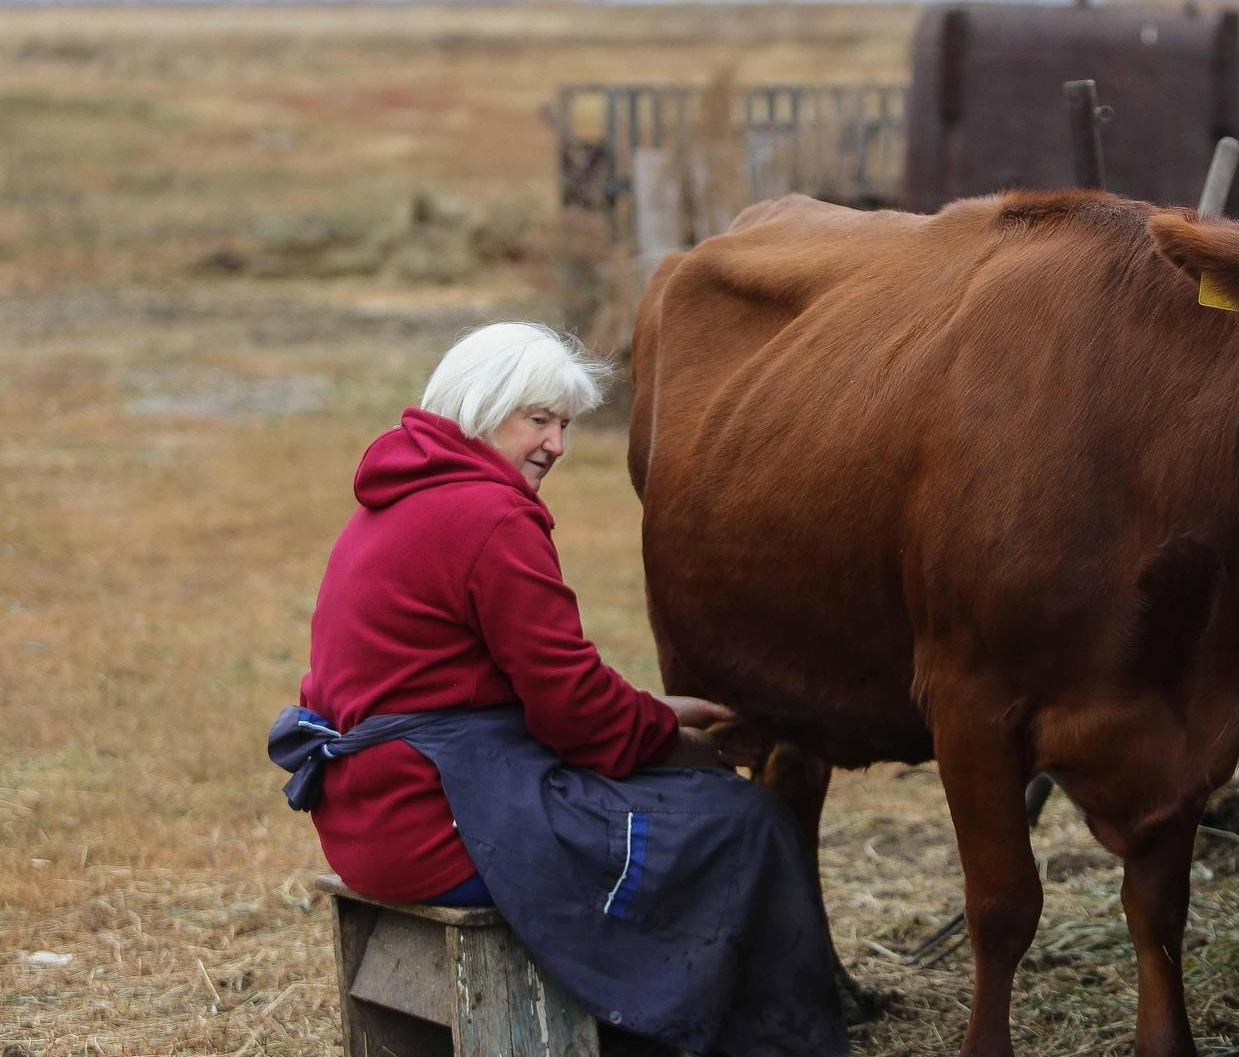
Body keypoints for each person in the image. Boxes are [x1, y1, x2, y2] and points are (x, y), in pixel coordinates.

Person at [270, 322, 847, 1057]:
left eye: (565, 425)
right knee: (743, 819)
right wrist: (678, 745)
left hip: (368, 813)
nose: (555, 446)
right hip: (439, 826)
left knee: (689, 813)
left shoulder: (393, 501)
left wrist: (656, 711)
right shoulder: (489, 515)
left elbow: (487, 685)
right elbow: (572, 712)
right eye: (536, 420)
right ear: (482, 406)